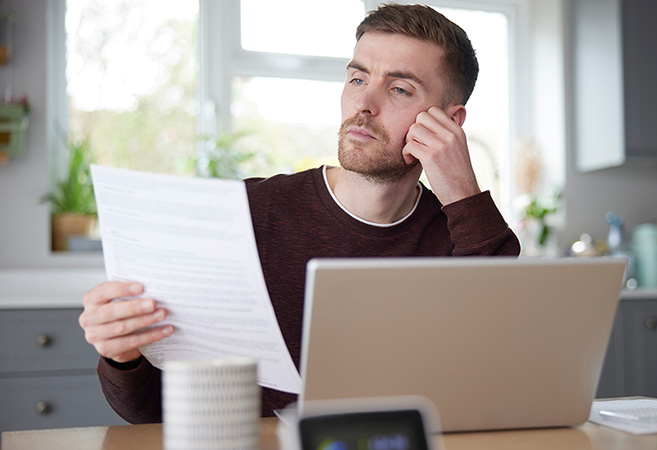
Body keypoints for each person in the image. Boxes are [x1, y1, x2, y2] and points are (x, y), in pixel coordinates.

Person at [79, 3, 520, 423]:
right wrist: (123, 355)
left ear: (449, 122)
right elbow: (150, 412)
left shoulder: (465, 235)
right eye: (357, 79)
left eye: (400, 89)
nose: (364, 104)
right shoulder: (245, 215)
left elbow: (502, 371)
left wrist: (463, 191)